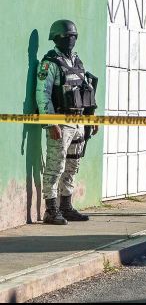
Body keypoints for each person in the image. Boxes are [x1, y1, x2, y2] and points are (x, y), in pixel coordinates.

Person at [37, 20, 97, 225]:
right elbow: (43, 94)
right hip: (60, 122)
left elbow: (85, 90)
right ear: (56, 38)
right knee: (55, 165)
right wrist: (51, 121)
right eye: (66, 37)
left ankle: (66, 205)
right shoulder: (50, 63)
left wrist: (90, 118)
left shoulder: (77, 61)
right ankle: (51, 210)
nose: (70, 40)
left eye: (73, 36)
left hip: (78, 122)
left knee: (73, 165)